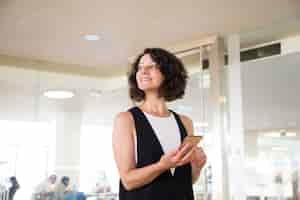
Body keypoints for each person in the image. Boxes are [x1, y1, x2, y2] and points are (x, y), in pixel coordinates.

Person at [112, 48, 207, 200]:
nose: (143, 71)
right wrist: (161, 166)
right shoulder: (126, 120)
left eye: (151, 66)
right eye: (140, 68)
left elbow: (185, 181)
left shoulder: (185, 122)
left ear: (168, 73)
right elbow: (128, 181)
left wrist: (197, 167)